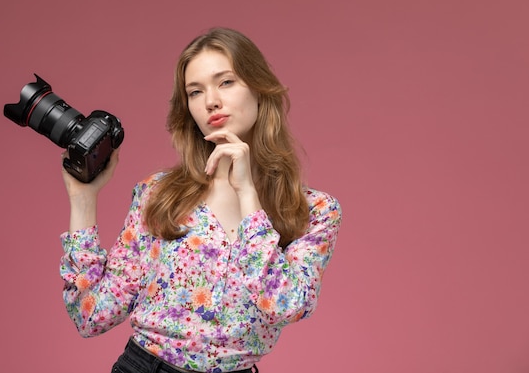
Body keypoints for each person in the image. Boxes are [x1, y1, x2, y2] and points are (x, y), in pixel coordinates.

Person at [59, 27, 342, 373]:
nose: (211, 101)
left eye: (226, 82)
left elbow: (284, 306)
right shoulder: (159, 194)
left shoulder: (314, 212)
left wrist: (248, 194)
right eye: (195, 91)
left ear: (259, 88)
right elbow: (92, 315)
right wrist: (83, 200)